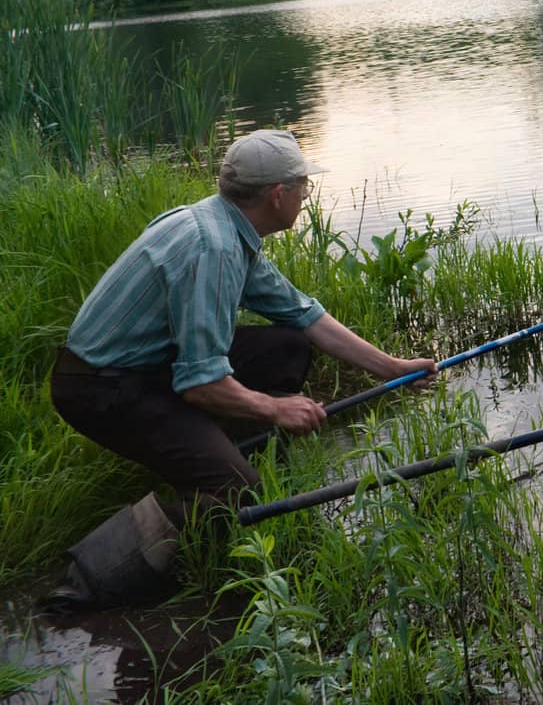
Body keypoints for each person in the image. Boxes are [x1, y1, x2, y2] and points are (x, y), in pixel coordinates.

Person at [43, 129, 436, 609]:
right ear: (277, 196)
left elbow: (303, 314)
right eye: (304, 187)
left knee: (286, 345)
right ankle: (83, 582)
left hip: (144, 368)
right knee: (239, 490)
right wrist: (275, 408)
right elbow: (201, 381)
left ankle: (218, 451)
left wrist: (392, 367)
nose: (306, 196)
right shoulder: (216, 249)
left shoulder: (225, 225)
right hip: (102, 387)